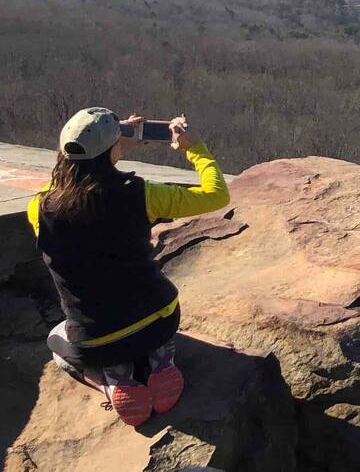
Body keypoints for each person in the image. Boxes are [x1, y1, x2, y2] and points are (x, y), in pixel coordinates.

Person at [26, 107, 230, 426]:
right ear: (113, 149)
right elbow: (216, 195)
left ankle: (115, 383)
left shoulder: (39, 208)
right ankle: (160, 363)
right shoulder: (141, 195)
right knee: (141, 324)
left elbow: (77, 180)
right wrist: (195, 148)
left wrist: (112, 147)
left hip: (95, 340)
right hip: (160, 319)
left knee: (56, 340)